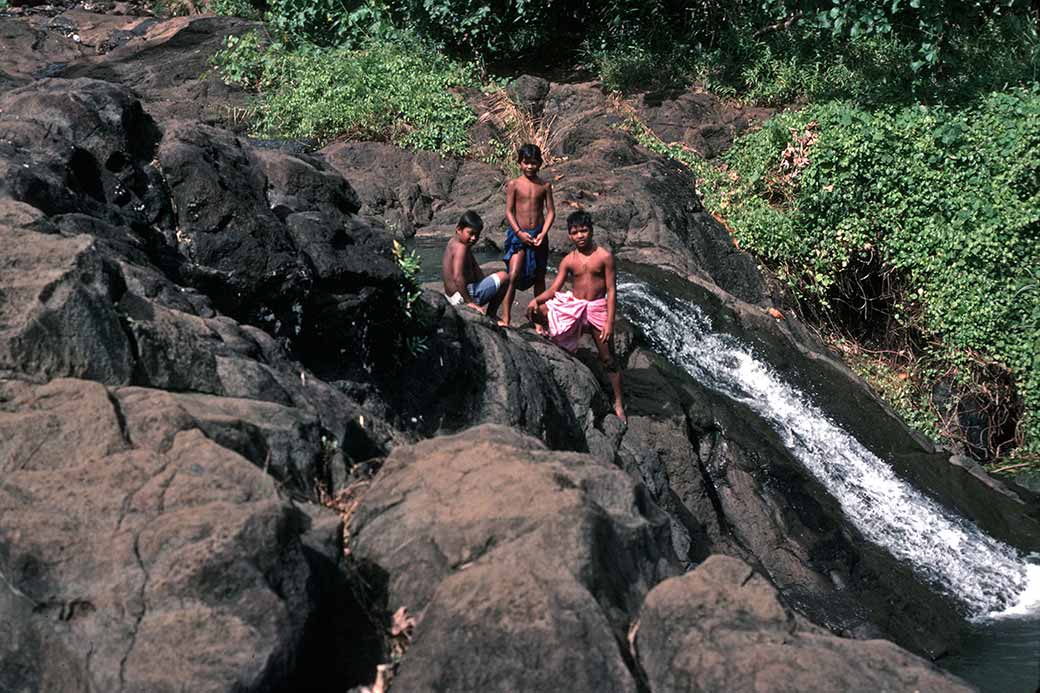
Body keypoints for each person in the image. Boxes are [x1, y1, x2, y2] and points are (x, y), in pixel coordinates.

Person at [527, 210, 625, 423]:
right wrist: (536, 300)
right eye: (575, 232)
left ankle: (618, 402)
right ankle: (545, 332)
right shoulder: (569, 260)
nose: (580, 235)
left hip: (597, 308)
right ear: (569, 236)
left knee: (608, 359)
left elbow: (612, 290)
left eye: (584, 231)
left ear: (591, 231)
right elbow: (554, 288)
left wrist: (609, 322)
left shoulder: (604, 257)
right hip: (575, 307)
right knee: (539, 311)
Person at [501, 143, 555, 328]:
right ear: (519, 163)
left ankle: (538, 321)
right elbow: (509, 212)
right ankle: (506, 318)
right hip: (519, 235)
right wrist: (519, 233)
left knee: (539, 277)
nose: (530, 167)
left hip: (539, 235)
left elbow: (551, 212)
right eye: (526, 163)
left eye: (534, 163)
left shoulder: (545, 186)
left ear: (540, 163)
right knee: (513, 275)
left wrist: (543, 232)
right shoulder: (514, 185)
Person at [443, 210, 508, 318]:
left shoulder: (454, 242)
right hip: (462, 298)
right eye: (471, 233)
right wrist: (469, 302)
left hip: (452, 296)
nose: (474, 238)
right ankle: (491, 314)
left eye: (477, 235)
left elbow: (474, 267)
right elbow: (457, 277)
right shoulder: (461, 248)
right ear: (459, 229)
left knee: (482, 273)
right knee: (504, 277)